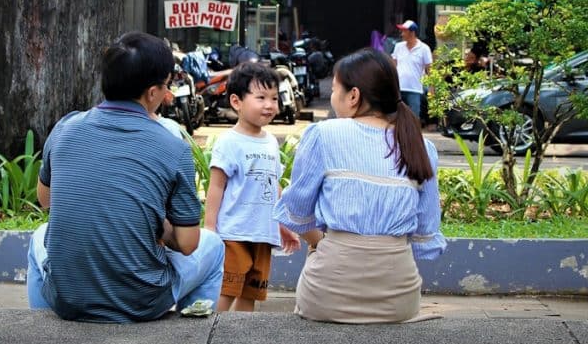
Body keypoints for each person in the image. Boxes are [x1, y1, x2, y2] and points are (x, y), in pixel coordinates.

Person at [26, 31, 225, 323]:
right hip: (142, 302)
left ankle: (42, 329)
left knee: (38, 236)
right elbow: (188, 243)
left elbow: (45, 201)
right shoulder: (173, 147)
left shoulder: (66, 127)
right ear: (152, 92)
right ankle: (190, 338)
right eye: (166, 86)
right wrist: (161, 228)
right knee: (215, 246)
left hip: (67, 300)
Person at [273, 47, 445, 324]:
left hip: (327, 295)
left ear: (353, 96)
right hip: (398, 299)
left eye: (334, 89)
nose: (331, 97)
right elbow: (426, 235)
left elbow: (296, 212)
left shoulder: (324, 134)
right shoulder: (421, 146)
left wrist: (325, 244)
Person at [204, 62, 300, 312]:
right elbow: (216, 187)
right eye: (260, 98)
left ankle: (237, 342)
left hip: (263, 233)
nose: (270, 105)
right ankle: (212, 338)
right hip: (234, 233)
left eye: (274, 98)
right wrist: (210, 229)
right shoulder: (229, 142)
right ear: (236, 102)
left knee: (251, 293)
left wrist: (283, 224)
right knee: (227, 290)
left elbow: (272, 184)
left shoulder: (270, 142)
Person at [391, 19, 432, 119]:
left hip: (414, 89)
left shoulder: (424, 48)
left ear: (412, 32)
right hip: (399, 88)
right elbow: (393, 65)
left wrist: (432, 88)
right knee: (396, 117)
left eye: (404, 31)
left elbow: (429, 69)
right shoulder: (398, 47)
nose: (402, 34)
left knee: (413, 118)